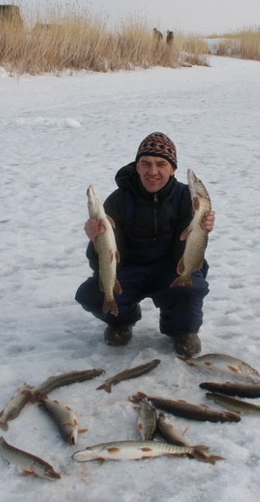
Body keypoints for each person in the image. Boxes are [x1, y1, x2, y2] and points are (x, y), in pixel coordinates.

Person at [75, 132, 215, 357]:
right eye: (145, 164)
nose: (153, 171)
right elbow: (105, 262)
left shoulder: (187, 199)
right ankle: (122, 319)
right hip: (130, 270)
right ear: (137, 166)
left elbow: (188, 257)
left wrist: (200, 230)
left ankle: (181, 329)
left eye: (161, 164)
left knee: (190, 285)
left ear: (173, 169)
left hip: (169, 268)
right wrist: (95, 241)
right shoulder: (117, 200)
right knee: (93, 293)